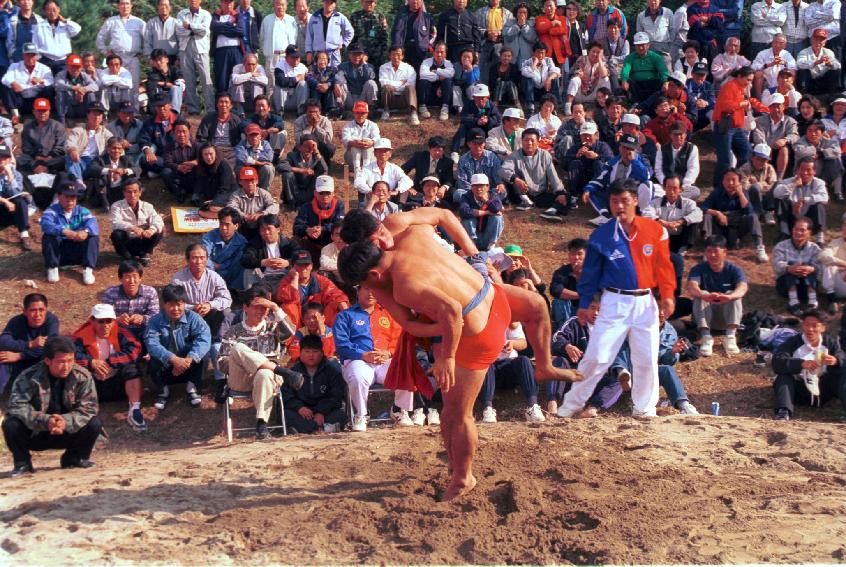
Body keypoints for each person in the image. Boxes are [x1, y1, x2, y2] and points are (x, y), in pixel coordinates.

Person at [337, 213, 581, 501]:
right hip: (493, 296)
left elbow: (450, 313)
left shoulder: (400, 285)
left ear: (371, 274)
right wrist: (472, 255)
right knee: (538, 305)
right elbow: (439, 215)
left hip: (477, 332)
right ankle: (545, 365)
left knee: (456, 414)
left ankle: (463, 477)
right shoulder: (415, 231)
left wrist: (446, 357)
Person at [557, 178, 674, 419]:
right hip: (614, 301)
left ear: (635, 201)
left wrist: (668, 295)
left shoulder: (655, 230)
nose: (619, 206)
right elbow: (590, 274)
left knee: (646, 358)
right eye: (614, 201)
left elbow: (664, 267)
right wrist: (586, 302)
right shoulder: (601, 235)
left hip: (645, 301)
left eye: (624, 200)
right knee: (597, 356)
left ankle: (644, 408)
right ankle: (570, 406)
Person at [2, 336, 101, 477]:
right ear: (48, 360)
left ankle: (75, 458)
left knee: (94, 422)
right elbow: (17, 406)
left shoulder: (83, 376)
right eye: (61, 362)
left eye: (70, 361)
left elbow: (89, 408)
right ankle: (22, 463)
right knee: (10, 423)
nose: (66, 366)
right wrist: (46, 421)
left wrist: (64, 421)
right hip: (36, 432)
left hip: (68, 431)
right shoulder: (28, 376)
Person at [218, 284, 302, 438]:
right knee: (238, 348)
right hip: (240, 378)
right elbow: (221, 362)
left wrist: (275, 307)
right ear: (246, 308)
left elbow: (291, 332)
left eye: (264, 307)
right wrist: (244, 361)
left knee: (264, 373)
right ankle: (282, 371)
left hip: (267, 378)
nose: (260, 311)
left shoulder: (272, 327)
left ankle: (262, 424)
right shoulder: (233, 331)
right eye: (256, 306)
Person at [332, 282, 414, 430]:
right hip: (358, 361)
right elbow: (342, 344)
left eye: (374, 289)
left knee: (405, 369)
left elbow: (399, 339)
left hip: (384, 360)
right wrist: (363, 355)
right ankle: (361, 415)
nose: (370, 293)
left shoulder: (389, 314)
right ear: (358, 291)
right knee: (358, 377)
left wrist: (388, 353)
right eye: (366, 289)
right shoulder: (345, 316)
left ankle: (400, 410)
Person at [71, 304, 145, 430]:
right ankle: (79, 411)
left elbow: (135, 350)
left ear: (113, 321)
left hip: (117, 383)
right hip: (92, 386)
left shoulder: (122, 332)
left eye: (108, 321)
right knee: (73, 371)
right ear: (92, 321)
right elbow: (70, 355)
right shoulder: (80, 336)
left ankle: (134, 410)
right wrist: (91, 363)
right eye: (100, 321)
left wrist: (110, 362)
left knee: (132, 368)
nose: (105, 325)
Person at [172, 243, 233, 385]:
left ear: (207, 259)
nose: (198, 261)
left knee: (226, 311)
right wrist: (193, 308)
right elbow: (174, 303)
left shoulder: (214, 276)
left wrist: (210, 305)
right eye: (194, 258)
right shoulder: (178, 279)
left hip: (211, 317)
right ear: (187, 260)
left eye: (202, 257)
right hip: (189, 319)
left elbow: (226, 299)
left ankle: (217, 339)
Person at [145, 284, 211, 410]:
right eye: (171, 304)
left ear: (184, 304)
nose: (175, 309)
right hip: (167, 366)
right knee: (153, 358)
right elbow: (152, 344)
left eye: (179, 304)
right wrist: (173, 359)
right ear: (164, 304)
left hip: (188, 365)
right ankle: (163, 391)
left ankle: (192, 387)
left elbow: (204, 338)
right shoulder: (155, 321)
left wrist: (189, 359)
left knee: (203, 354)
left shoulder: (194, 318)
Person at [772, 308, 845, 420]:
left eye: (815, 325)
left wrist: (835, 360)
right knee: (783, 376)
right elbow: (777, 361)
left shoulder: (830, 343)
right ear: (802, 326)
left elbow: (842, 357)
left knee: (843, 373)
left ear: (823, 328)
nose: (810, 329)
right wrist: (801, 364)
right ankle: (783, 411)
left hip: (823, 389)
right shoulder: (793, 342)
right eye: (806, 325)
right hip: (798, 390)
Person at [687, 235, 748, 356]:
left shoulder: (734, 269)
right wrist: (705, 296)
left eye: (716, 251)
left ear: (725, 252)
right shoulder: (698, 269)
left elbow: (743, 287)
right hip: (705, 317)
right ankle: (706, 337)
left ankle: (730, 336)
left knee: (734, 295)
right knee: (701, 294)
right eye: (709, 251)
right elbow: (692, 286)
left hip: (726, 317)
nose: (712, 255)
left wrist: (729, 297)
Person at [583, 133, 654, 227]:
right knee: (591, 190)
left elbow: (646, 175)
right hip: (615, 197)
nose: (627, 151)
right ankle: (605, 216)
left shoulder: (642, 159)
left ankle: (641, 215)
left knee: (648, 185)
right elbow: (600, 179)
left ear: (636, 150)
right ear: (620, 147)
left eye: (630, 148)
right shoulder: (612, 163)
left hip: (633, 199)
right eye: (624, 147)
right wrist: (588, 190)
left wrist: (634, 161)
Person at [480, 321, 545, 423]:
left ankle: (533, 406)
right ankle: (487, 408)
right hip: (488, 365)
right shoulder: (480, 318)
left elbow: (523, 343)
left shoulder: (510, 316)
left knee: (524, 360)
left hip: (509, 363)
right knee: (486, 365)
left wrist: (512, 343)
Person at [701, 168, 769, 262]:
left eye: (734, 180)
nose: (730, 183)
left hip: (736, 228)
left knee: (753, 216)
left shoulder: (744, 193)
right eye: (727, 180)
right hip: (719, 228)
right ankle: (708, 249)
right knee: (707, 216)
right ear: (723, 181)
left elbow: (749, 211)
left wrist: (740, 193)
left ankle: (760, 247)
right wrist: (717, 213)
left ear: (739, 182)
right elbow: (703, 207)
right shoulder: (716, 193)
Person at [283, 334, 345, 433]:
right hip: (302, 411)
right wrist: (300, 407)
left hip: (326, 410)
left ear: (321, 353)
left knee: (340, 413)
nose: (311, 355)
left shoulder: (331, 371)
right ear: (301, 353)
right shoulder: (293, 372)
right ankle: (320, 428)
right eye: (307, 351)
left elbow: (336, 395)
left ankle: (306, 429)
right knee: (286, 414)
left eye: (315, 351)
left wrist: (321, 412)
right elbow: (287, 395)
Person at [40, 181, 98, 285]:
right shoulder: (51, 211)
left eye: (73, 197)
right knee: (48, 235)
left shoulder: (82, 211)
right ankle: (52, 267)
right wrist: (64, 231)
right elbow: (46, 224)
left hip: (78, 252)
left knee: (92, 236)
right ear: (58, 196)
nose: (70, 201)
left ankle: (88, 268)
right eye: (66, 196)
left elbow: (92, 222)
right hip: (60, 253)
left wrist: (85, 231)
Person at [0, 293, 59, 394]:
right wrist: (29, 344)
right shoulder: (16, 321)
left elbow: (50, 346)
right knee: (3, 357)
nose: (38, 315)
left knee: (55, 356)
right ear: (25, 311)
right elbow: (3, 341)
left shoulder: (51, 321)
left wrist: (20, 355)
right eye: (33, 310)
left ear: (46, 310)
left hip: (40, 363)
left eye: (41, 310)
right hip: (20, 365)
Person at [276, 248, 349, 330]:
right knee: (288, 306)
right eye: (299, 265)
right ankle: (295, 339)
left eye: (306, 265)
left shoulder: (320, 280)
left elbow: (336, 294)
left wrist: (345, 310)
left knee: (336, 305)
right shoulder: (287, 280)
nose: (303, 268)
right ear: (293, 267)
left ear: (311, 266)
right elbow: (284, 297)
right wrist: (295, 279)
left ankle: (332, 336)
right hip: (299, 320)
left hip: (318, 318)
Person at [499, 128, 566, 217]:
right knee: (510, 181)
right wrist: (515, 179)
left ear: (538, 142)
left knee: (565, 197)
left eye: (532, 140)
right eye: (526, 140)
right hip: (521, 193)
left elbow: (552, 175)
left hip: (540, 193)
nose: (529, 143)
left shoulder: (545, 155)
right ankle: (525, 203)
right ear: (522, 141)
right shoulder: (514, 155)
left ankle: (551, 211)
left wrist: (560, 192)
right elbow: (503, 170)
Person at [100, 259, 160, 342]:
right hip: (119, 332)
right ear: (120, 279)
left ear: (140, 278)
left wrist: (143, 318)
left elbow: (156, 316)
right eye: (127, 277)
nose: (132, 281)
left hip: (143, 331)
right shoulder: (110, 293)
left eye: (135, 277)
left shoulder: (150, 292)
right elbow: (103, 317)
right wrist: (117, 320)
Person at [773, 217, 823, 315]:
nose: (798, 232)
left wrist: (811, 269)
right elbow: (777, 265)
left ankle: (812, 303)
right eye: (796, 229)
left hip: (807, 286)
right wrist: (789, 268)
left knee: (809, 266)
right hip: (785, 286)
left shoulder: (815, 249)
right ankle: (793, 302)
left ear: (809, 232)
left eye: (802, 230)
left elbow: (821, 268)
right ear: (792, 230)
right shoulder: (781, 246)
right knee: (792, 265)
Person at [109, 178, 163, 266]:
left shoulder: (148, 206)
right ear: (124, 193)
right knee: (116, 234)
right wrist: (133, 228)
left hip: (143, 241)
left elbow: (158, 220)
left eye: (135, 191)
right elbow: (116, 222)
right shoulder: (116, 206)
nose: (132, 195)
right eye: (129, 192)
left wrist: (151, 230)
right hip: (127, 242)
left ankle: (144, 254)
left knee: (158, 231)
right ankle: (127, 257)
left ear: (140, 192)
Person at [96, 0, 145, 97]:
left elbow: (148, 39)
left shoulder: (139, 22)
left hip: (133, 58)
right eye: (122, 4)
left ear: (131, 6)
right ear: (118, 6)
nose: (125, 6)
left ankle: (133, 111)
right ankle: (114, 110)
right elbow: (100, 38)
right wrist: (105, 52)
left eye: (127, 4)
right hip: (116, 59)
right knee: (113, 85)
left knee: (133, 85)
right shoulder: (111, 21)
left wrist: (144, 53)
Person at [773, 157, 829, 240]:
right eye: (802, 169)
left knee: (819, 205)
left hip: (809, 220)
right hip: (791, 217)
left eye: (809, 170)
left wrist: (804, 200)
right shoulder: (787, 182)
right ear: (797, 170)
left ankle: (819, 238)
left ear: (814, 172)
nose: (805, 173)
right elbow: (776, 194)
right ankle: (784, 232)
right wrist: (793, 184)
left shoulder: (819, 183)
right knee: (780, 199)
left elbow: (824, 198)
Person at [560, 121, 613, 209]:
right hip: (582, 181)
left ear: (596, 135)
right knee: (575, 162)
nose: (587, 138)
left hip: (597, 180)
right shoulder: (576, 147)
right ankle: (573, 195)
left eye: (589, 135)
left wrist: (597, 157)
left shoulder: (603, 146)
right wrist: (576, 156)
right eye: (584, 135)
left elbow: (611, 162)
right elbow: (564, 164)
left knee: (599, 163)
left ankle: (599, 194)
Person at [293, 175, 345, 263]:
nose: (325, 196)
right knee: (296, 239)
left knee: (341, 234)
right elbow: (296, 227)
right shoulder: (306, 207)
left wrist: (322, 229)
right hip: (312, 244)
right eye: (321, 193)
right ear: (315, 193)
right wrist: (307, 230)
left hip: (331, 244)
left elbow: (340, 224)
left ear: (333, 194)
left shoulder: (339, 206)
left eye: (328, 193)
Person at [175, 0, 214, 115]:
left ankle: (210, 108)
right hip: (185, 49)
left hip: (201, 49)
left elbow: (204, 30)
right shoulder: (181, 14)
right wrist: (193, 31)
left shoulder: (206, 14)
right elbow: (179, 30)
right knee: (189, 79)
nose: (193, 1)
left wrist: (189, 26)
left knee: (206, 79)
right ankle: (193, 109)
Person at [240, 214, 296, 292]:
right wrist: (262, 262)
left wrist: (287, 262)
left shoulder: (288, 243)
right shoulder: (255, 243)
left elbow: (299, 255)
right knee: (248, 271)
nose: (266, 232)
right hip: (263, 278)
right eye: (263, 229)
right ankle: (251, 298)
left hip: (284, 277)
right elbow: (245, 259)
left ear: (278, 229)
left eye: (269, 229)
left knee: (297, 269)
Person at [650, 175, 703, 255]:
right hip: (660, 238)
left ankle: (683, 248)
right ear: (664, 188)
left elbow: (698, 214)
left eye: (675, 188)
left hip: (679, 238)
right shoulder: (654, 203)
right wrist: (662, 223)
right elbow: (646, 214)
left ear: (681, 189)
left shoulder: (688, 203)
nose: (671, 191)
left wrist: (681, 221)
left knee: (694, 221)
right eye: (668, 187)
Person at [751, 92, 799, 181]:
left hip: (779, 151)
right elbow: (759, 137)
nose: (776, 109)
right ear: (769, 108)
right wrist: (767, 149)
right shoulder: (760, 121)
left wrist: (784, 140)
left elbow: (794, 135)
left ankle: (779, 179)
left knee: (784, 149)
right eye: (773, 106)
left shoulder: (790, 121)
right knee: (759, 151)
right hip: (764, 149)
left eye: (778, 106)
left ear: (783, 107)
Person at [793, 119, 843, 202]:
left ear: (822, 132)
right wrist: (820, 151)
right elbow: (801, 152)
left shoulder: (827, 140)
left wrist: (821, 153)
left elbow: (837, 151)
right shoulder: (800, 142)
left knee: (836, 160)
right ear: (806, 132)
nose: (813, 134)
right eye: (810, 130)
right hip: (805, 174)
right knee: (810, 161)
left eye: (816, 131)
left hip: (823, 171)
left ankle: (837, 192)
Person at [226, 166, 279, 241]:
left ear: (257, 181)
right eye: (246, 181)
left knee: (270, 220)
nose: (250, 184)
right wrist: (244, 215)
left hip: (260, 226)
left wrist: (261, 214)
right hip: (242, 226)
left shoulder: (264, 193)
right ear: (240, 182)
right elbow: (230, 207)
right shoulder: (235, 195)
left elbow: (274, 206)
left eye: (252, 180)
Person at [1, 41, 52, 119]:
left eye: (33, 55)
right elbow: (5, 78)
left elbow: (51, 81)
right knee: (5, 87)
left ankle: (44, 113)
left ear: (37, 56)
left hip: (37, 102)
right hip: (20, 101)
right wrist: (13, 83)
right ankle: (16, 115)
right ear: (23, 56)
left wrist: (42, 81)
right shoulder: (15, 66)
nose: (30, 58)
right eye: (28, 55)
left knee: (49, 88)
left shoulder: (44, 68)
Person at [259, 0, 297, 104]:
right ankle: (269, 105)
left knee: (286, 80)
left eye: (282, 4)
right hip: (272, 56)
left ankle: (285, 105)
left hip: (287, 56)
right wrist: (266, 51)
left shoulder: (291, 20)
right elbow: (261, 38)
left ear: (286, 6)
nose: (280, 7)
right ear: (273, 5)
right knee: (270, 82)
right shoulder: (267, 19)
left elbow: (294, 37)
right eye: (277, 4)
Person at [454, 129, 506, 204]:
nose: (478, 147)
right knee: (458, 194)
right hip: (471, 192)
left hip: (488, 191)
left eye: (480, 143)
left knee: (502, 192)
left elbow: (497, 177)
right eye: (474, 143)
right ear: (468, 144)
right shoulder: (463, 160)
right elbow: (463, 182)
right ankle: (487, 203)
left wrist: (500, 185)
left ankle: (476, 203)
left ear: (484, 143)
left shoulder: (492, 157)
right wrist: (477, 194)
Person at [353, 138, 413, 203]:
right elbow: (358, 182)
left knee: (404, 191)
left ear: (390, 154)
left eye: (385, 151)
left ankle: (399, 210)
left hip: (390, 199)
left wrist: (396, 191)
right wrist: (369, 191)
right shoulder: (367, 168)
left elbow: (407, 180)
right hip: (372, 199)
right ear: (375, 153)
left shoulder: (394, 168)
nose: (383, 153)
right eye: (380, 151)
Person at [202, 206, 248, 291]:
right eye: (221, 224)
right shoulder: (209, 237)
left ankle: (234, 291)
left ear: (236, 226)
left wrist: (220, 266)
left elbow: (235, 262)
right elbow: (203, 257)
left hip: (230, 272)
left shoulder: (242, 242)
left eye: (227, 224)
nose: (223, 228)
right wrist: (213, 267)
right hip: (211, 271)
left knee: (244, 265)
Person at [278, 134, 329, 208]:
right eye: (305, 146)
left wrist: (317, 151)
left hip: (310, 189)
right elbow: (280, 166)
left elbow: (325, 170)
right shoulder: (292, 156)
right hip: (295, 189)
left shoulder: (317, 157)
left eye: (311, 146)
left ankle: (312, 202)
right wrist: (301, 170)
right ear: (299, 147)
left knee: (322, 175)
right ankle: (292, 203)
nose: (308, 149)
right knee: (287, 174)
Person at [89, 137, 141, 208]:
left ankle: (131, 203)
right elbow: (92, 169)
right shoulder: (100, 159)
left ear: (122, 150)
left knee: (133, 177)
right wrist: (110, 170)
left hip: (120, 191)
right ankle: (106, 206)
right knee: (99, 178)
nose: (116, 151)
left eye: (119, 148)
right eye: (114, 148)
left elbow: (138, 169)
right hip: (105, 193)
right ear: (108, 148)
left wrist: (124, 171)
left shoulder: (125, 159)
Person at [654, 122, 700, 200]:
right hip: (665, 186)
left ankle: (669, 200)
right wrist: (666, 184)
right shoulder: (662, 149)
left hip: (683, 186)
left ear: (685, 135)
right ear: (670, 135)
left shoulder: (692, 148)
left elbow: (693, 169)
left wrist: (682, 186)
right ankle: (675, 200)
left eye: (680, 134)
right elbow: (658, 170)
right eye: (675, 134)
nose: (678, 137)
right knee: (653, 189)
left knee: (695, 192)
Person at [458, 173, 504, 252]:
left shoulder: (493, 195)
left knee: (497, 217)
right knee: (467, 218)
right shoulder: (466, 196)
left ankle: (490, 246)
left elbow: (496, 209)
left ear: (487, 186)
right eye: (475, 186)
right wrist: (486, 212)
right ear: (471, 187)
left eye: (481, 186)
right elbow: (463, 211)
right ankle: (472, 246)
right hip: (473, 236)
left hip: (487, 235)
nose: (478, 189)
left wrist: (485, 200)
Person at [549, 237, 587, 330]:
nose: (576, 257)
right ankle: (564, 332)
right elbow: (555, 290)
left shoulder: (594, 272)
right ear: (569, 255)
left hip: (588, 310)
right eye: (573, 254)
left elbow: (597, 293)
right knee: (559, 302)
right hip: (569, 310)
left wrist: (579, 276)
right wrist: (581, 295)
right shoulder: (562, 272)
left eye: (580, 254)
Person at [196, 92, 242, 167]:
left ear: (231, 105)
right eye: (221, 102)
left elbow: (240, 138)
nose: (224, 105)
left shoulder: (236, 120)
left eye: (226, 102)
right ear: (217, 105)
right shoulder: (208, 119)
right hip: (214, 149)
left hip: (231, 150)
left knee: (230, 166)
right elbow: (201, 138)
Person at [209, 0, 245, 95]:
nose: (228, 5)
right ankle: (220, 104)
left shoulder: (238, 15)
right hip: (221, 52)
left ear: (233, 4)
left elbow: (240, 31)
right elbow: (214, 27)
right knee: (221, 79)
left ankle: (238, 105)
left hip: (236, 51)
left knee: (237, 78)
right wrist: (231, 26)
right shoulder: (215, 15)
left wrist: (222, 28)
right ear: (221, 3)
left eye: (230, 3)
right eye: (225, 2)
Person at [305, 0, 353, 68]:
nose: (329, 4)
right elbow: (309, 36)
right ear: (323, 2)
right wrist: (309, 51)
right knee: (319, 75)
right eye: (327, 2)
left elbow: (350, 32)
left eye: (331, 3)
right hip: (318, 55)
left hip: (333, 54)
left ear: (335, 4)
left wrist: (344, 44)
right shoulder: (314, 17)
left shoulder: (339, 17)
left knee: (335, 75)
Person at [0, 143, 30, 252]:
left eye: (4, 157)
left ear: (9, 160)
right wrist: (4, 201)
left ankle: (24, 234)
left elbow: (16, 192)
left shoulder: (16, 174)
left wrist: (10, 176)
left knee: (21, 201)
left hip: (8, 210)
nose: (1, 160)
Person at [741, 142, 779, 226]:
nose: (760, 162)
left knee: (778, 184)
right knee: (754, 188)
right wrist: (761, 185)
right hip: (752, 199)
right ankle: (757, 213)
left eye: (763, 160)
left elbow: (773, 184)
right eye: (758, 159)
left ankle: (769, 212)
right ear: (752, 157)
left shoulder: (770, 168)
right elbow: (745, 187)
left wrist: (758, 184)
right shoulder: (744, 168)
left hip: (766, 198)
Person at [161, 119, 200, 203]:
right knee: (166, 172)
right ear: (174, 133)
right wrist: (178, 167)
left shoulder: (197, 145)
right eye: (178, 132)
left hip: (192, 175)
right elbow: (167, 162)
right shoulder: (169, 147)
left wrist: (194, 162)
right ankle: (179, 193)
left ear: (189, 132)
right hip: (177, 176)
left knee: (201, 168)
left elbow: (202, 158)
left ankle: (196, 195)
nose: (181, 134)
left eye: (184, 131)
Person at [193, 143, 238, 215]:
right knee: (200, 205)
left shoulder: (223, 164)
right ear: (202, 156)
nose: (209, 157)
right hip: (213, 193)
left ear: (216, 154)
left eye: (211, 154)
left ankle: (230, 210)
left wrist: (215, 201)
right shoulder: (201, 165)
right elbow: (200, 183)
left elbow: (224, 188)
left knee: (212, 207)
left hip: (228, 193)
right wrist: (196, 195)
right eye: (205, 154)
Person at [378, 45, 418, 124]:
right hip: (390, 98)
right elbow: (383, 82)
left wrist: (394, 86)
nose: (396, 57)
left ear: (402, 56)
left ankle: (413, 113)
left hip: (404, 99)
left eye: (398, 54)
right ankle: (386, 111)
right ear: (389, 55)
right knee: (386, 87)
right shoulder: (383, 67)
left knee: (410, 88)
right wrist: (400, 83)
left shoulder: (409, 68)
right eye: (393, 54)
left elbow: (411, 83)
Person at [390, 0, 435, 71]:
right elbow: (395, 32)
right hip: (403, 50)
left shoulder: (427, 17)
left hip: (420, 52)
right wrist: (396, 48)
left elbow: (433, 34)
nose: (415, 1)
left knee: (420, 76)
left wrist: (426, 45)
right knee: (404, 75)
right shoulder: (401, 15)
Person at [54, 53, 98, 125]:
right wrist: (73, 88)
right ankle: (62, 123)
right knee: (60, 94)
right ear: (67, 67)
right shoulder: (61, 74)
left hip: (82, 108)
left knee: (91, 94)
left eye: (77, 67)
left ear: (81, 68)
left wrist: (83, 90)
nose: (75, 69)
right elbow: (57, 85)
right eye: (72, 67)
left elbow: (95, 86)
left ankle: (91, 121)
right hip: (68, 108)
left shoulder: (84, 75)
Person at [417, 42, 455, 123]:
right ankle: (422, 106)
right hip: (429, 92)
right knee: (423, 81)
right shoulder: (426, 62)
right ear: (433, 52)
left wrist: (437, 71)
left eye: (442, 52)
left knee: (448, 80)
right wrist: (438, 76)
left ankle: (445, 108)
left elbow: (451, 74)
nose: (439, 54)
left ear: (445, 53)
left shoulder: (448, 63)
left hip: (442, 93)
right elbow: (423, 74)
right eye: (437, 52)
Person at [335, 42, 378, 113]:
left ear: (363, 55)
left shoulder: (369, 66)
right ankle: (341, 111)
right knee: (339, 84)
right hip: (349, 98)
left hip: (363, 98)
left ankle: (371, 111)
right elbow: (339, 77)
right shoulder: (343, 66)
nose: (357, 57)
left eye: (359, 54)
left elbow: (371, 77)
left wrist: (364, 64)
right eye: (354, 54)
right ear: (349, 55)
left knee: (371, 83)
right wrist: (337, 84)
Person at [520, 42, 561, 117]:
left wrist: (549, 78)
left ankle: (553, 106)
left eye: (543, 53)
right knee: (527, 79)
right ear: (533, 52)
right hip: (533, 92)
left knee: (555, 78)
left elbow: (556, 71)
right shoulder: (527, 62)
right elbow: (525, 73)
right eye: (538, 53)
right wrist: (534, 64)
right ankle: (530, 107)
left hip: (545, 89)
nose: (540, 55)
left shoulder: (548, 60)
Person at [293, 98, 336, 164]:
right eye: (310, 112)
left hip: (320, 145)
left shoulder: (325, 121)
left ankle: (325, 163)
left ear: (320, 112)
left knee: (330, 148)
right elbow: (298, 140)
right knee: (296, 149)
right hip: (305, 146)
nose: (313, 114)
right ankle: (303, 164)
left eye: (315, 112)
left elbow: (328, 139)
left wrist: (316, 126)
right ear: (306, 112)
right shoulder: (299, 121)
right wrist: (310, 126)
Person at [235, 123, 275, 190]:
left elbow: (269, 158)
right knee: (239, 168)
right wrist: (259, 162)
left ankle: (263, 192)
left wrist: (250, 159)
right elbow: (241, 158)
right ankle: (243, 191)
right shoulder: (241, 144)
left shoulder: (265, 144)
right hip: (247, 167)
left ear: (260, 136)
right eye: (251, 135)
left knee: (268, 168)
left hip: (261, 168)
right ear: (246, 136)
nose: (254, 138)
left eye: (256, 135)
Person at [274, 44, 308, 114]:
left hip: (296, 99)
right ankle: (279, 113)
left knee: (303, 84)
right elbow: (281, 81)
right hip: (284, 99)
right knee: (278, 86)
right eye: (293, 57)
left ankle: (301, 112)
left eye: (297, 57)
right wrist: (297, 78)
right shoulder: (280, 65)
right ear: (286, 57)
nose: (296, 60)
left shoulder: (303, 67)